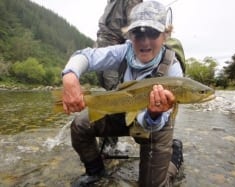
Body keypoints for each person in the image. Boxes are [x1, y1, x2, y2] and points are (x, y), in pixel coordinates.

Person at [62, 1, 183, 186]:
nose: (144, 41)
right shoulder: (124, 51)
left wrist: (153, 114)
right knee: (80, 125)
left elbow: (156, 121)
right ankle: (96, 171)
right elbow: (86, 56)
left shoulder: (173, 70)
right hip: (124, 109)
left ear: (165, 35)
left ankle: (173, 157)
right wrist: (70, 77)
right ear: (129, 34)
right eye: (138, 33)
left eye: (153, 33)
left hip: (157, 123)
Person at [96, 0, 142, 150]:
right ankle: (107, 140)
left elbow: (134, 28)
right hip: (102, 46)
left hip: (115, 51)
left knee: (114, 94)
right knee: (106, 90)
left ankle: (111, 142)